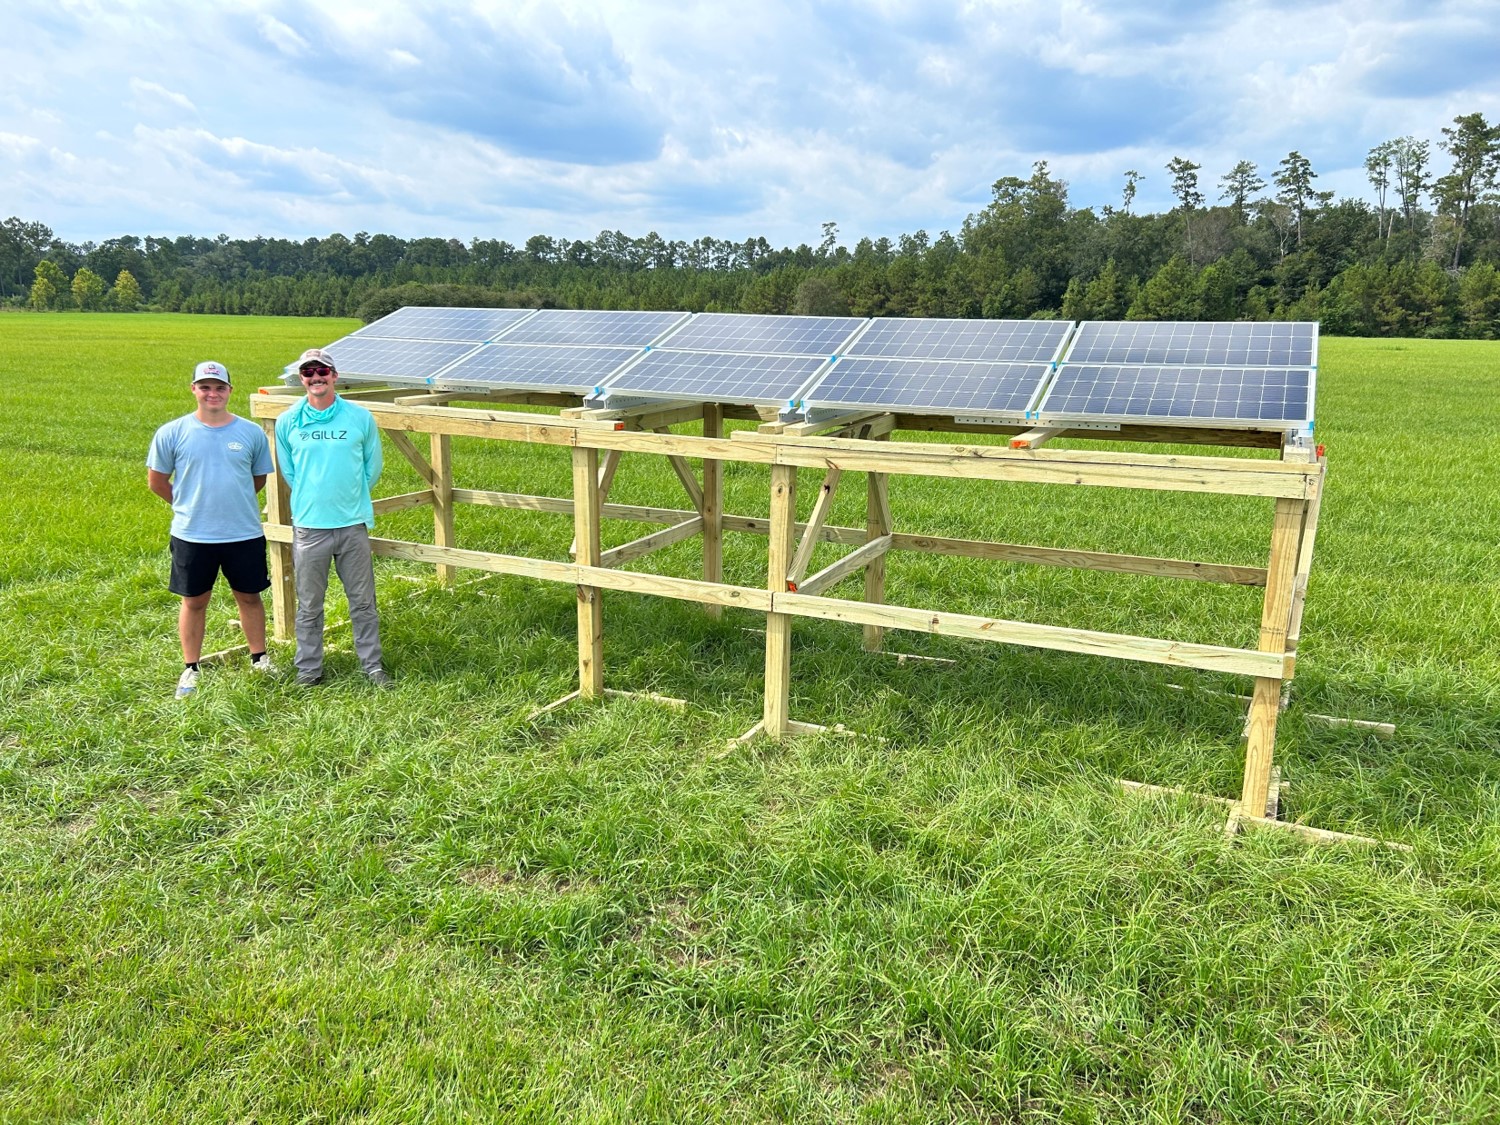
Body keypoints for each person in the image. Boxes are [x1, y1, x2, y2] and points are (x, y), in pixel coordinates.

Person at [147, 360, 275, 699]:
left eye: (219, 387)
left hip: (243, 533)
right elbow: (157, 482)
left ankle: (259, 657)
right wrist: (188, 505)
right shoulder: (172, 432)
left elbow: (257, 479)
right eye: (205, 387)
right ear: (194, 390)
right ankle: (191, 668)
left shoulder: (249, 433)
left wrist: (232, 502)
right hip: (193, 535)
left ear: (229, 391)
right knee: (194, 601)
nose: (212, 393)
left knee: (249, 596)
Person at [273, 348, 392, 688]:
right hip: (310, 527)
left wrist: (349, 497)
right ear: (301, 378)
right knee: (309, 605)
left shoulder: (359, 417)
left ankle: (372, 667)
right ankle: (309, 671)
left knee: (363, 602)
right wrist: (316, 498)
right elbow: (291, 472)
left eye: (322, 371)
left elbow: (373, 467)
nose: (316, 377)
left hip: (352, 524)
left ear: (334, 376)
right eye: (308, 372)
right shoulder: (288, 421)